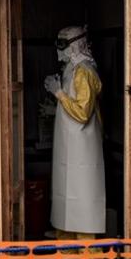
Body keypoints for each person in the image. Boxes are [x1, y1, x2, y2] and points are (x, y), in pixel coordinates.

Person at [44, 26, 106, 247]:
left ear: (76, 44)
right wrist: (55, 108)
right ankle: (68, 248)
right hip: (69, 143)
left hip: (83, 146)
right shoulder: (72, 69)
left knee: (82, 196)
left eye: (63, 44)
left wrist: (58, 93)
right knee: (64, 194)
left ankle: (90, 254)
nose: (59, 49)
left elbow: (82, 112)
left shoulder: (84, 71)